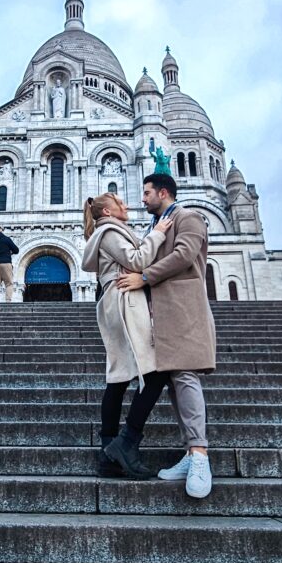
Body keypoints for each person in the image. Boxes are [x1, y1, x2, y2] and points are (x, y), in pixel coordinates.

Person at [116, 173, 216, 499]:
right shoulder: (155, 226)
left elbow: (185, 255)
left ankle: (200, 455)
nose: (142, 199)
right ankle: (189, 453)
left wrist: (143, 276)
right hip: (160, 313)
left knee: (185, 377)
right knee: (173, 382)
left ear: (163, 192)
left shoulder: (189, 217)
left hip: (183, 309)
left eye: (146, 193)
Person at [82, 192, 173, 479]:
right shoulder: (109, 232)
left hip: (119, 300)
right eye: (120, 203)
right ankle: (127, 441)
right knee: (157, 373)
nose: (127, 205)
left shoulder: (109, 231)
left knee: (119, 377)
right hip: (125, 302)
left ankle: (109, 452)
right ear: (107, 212)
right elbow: (136, 260)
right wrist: (157, 233)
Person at [0, 227, 19, 302]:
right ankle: (8, 300)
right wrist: (9, 252)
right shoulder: (6, 239)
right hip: (5, 262)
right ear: (1, 230)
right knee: (9, 283)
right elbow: (16, 250)